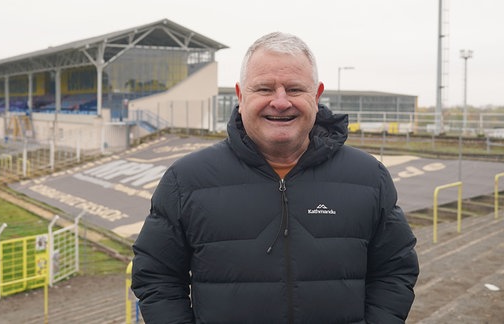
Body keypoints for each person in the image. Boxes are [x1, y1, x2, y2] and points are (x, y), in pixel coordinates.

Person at [131, 32, 419, 323]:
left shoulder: (369, 177)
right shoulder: (186, 181)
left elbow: (395, 270)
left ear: (316, 96)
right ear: (241, 96)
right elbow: (157, 276)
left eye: (294, 89)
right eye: (264, 89)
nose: (280, 102)